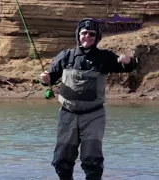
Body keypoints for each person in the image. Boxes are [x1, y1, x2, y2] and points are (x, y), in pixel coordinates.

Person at [40, 18, 138, 180]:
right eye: (84, 33)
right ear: (78, 35)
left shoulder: (105, 57)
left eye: (92, 34)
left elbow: (128, 67)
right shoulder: (65, 56)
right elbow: (49, 78)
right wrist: (44, 79)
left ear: (97, 37)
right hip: (67, 115)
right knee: (61, 161)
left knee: (91, 160)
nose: (87, 36)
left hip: (94, 116)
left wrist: (127, 61)